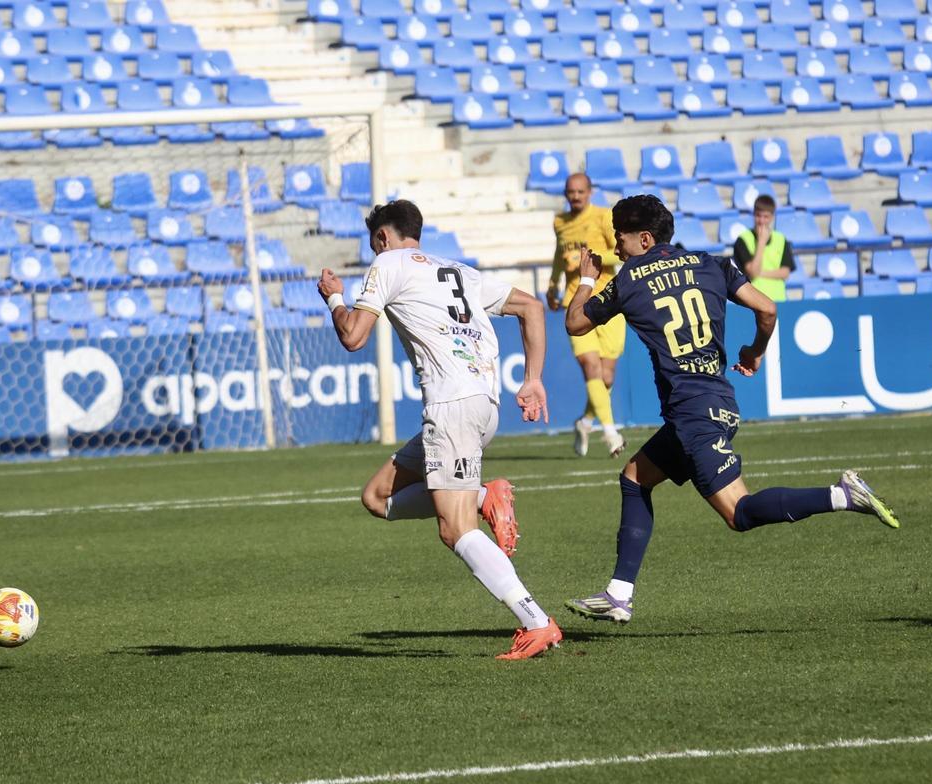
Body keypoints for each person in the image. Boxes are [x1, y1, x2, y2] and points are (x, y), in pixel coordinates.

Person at [562, 194, 900, 624]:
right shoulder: (711, 264)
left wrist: (587, 279)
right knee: (634, 477)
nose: (616, 247)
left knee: (739, 513)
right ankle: (618, 594)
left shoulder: (629, 279)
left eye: (620, 237)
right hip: (718, 400)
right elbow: (767, 308)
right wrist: (755, 351)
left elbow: (575, 323)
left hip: (691, 412)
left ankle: (842, 495)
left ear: (644, 239)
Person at [317, 199, 563, 660]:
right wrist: (533, 379)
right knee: (377, 498)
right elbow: (532, 307)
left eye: (374, 244)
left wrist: (334, 298)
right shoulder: (458, 271)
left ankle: (536, 622)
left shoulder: (387, 263)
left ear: (383, 238)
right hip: (483, 405)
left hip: (452, 408)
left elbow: (353, 336)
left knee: (456, 530)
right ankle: (485, 495)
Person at [548, 173, 627, 458]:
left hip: (609, 302)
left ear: (590, 192)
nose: (576, 196)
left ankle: (585, 422)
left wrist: (590, 259)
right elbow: (560, 254)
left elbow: (621, 254)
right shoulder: (559, 222)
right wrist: (553, 283)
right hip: (577, 303)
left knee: (606, 378)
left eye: (580, 191)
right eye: (571, 192)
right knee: (590, 367)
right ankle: (611, 433)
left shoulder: (604, 217)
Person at [732, 193, 795, 303]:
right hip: (753, 302)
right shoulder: (743, 240)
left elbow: (785, 273)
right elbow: (752, 272)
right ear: (753, 214)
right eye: (758, 216)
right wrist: (761, 242)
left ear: (772, 217)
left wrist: (761, 273)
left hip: (778, 300)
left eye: (766, 217)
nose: (761, 221)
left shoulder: (780, 239)